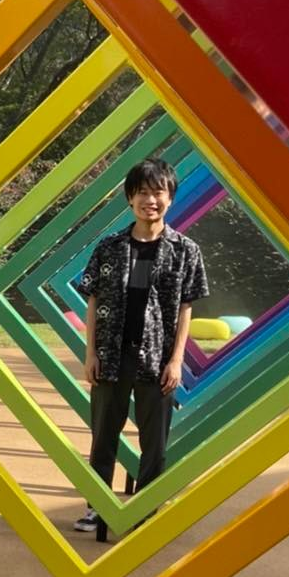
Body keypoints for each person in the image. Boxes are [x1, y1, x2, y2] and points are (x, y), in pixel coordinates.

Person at [73, 156, 209, 533]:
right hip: (111, 356)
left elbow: (186, 308)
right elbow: (93, 301)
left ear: (170, 198)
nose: (150, 200)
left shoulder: (186, 250)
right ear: (130, 199)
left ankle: (146, 510)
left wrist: (176, 360)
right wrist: (90, 354)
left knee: (155, 441)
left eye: (158, 192)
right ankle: (97, 507)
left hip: (158, 360)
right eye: (142, 193)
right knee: (103, 436)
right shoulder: (109, 247)